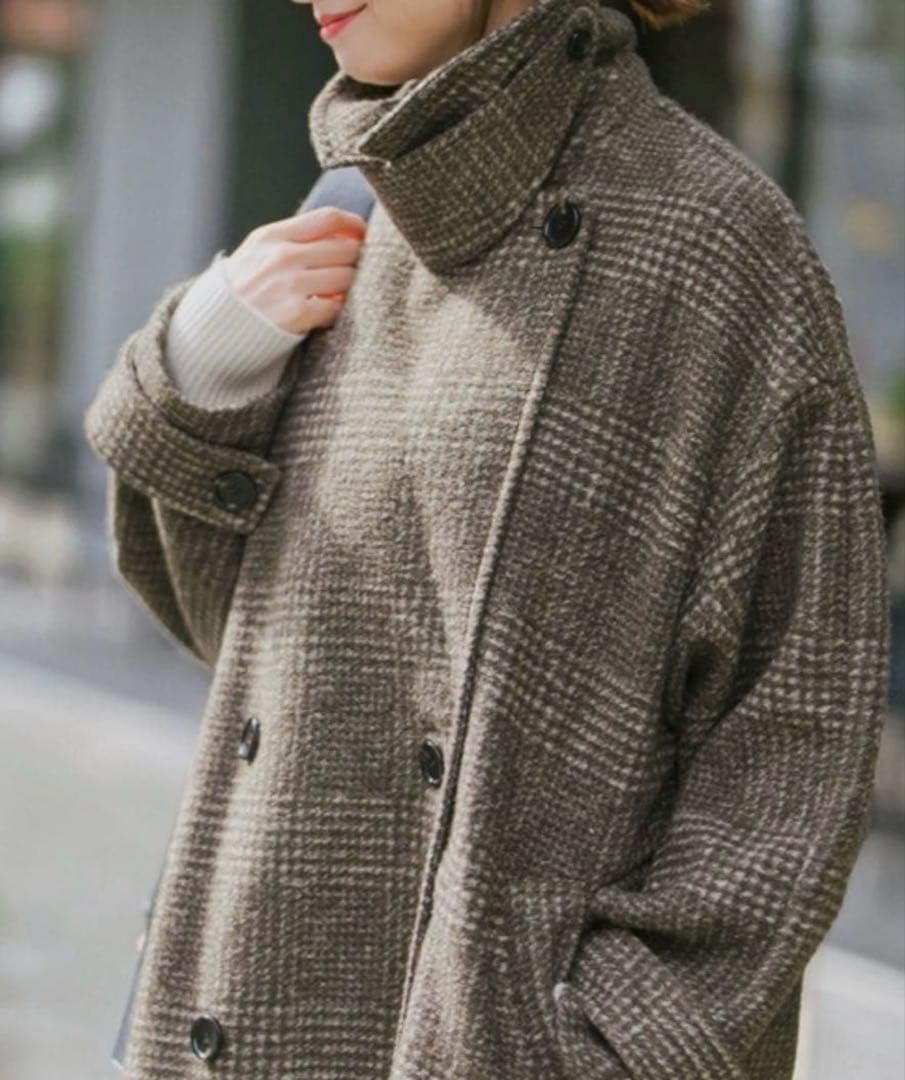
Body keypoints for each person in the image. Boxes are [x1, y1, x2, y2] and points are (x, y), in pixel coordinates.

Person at [83, 1, 890, 1077]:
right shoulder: (349, 217)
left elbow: (792, 733)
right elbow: (246, 654)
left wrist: (603, 1045)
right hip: (253, 998)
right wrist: (200, 369)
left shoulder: (710, 246)